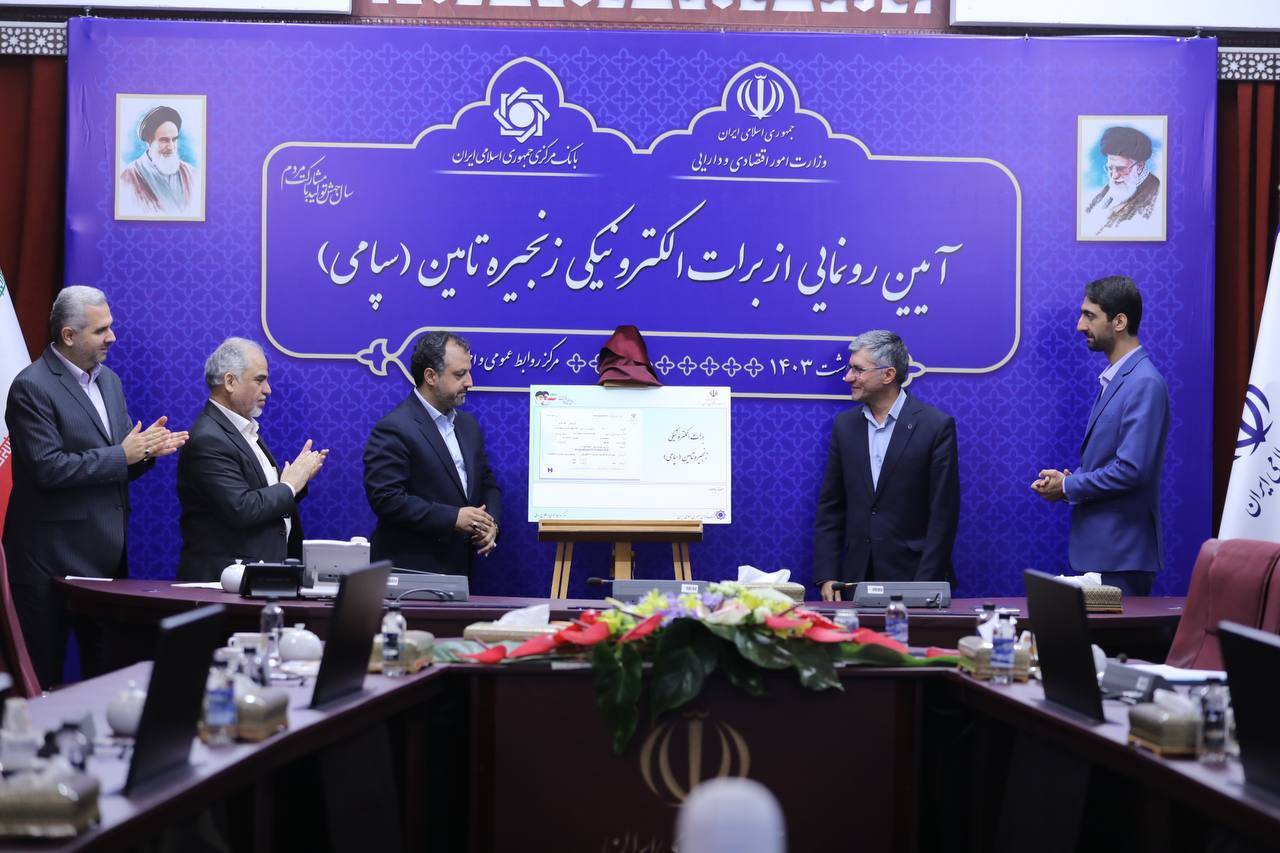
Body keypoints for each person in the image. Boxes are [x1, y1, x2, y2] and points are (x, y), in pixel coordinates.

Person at [3, 286, 186, 685]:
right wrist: (124, 454)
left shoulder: (111, 383)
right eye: (101, 330)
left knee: (107, 682)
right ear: (68, 335)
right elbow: (48, 469)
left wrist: (147, 452)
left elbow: (117, 465)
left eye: (111, 326)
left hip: (106, 562)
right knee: (41, 682)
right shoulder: (31, 386)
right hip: (47, 565)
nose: (112, 337)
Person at [1033, 275, 1170, 596]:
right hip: (1105, 554)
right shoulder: (1120, 378)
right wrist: (1067, 484)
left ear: (1119, 321)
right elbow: (1108, 461)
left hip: (1121, 557)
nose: (1080, 325)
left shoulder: (1144, 383)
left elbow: (1131, 470)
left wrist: (1068, 486)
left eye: (1089, 315)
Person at [813, 330, 960, 600]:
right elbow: (831, 507)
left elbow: (943, 515)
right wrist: (827, 575)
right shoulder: (845, 426)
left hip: (915, 577)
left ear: (888, 374)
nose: (848, 377)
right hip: (855, 580)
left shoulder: (935, 426)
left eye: (858, 370)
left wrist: (923, 587)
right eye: (850, 369)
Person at [176, 338, 327, 582]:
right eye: (259, 380)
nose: (268, 389)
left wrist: (298, 480)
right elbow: (242, 508)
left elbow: (262, 496)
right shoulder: (208, 438)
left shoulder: (244, 430)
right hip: (224, 583)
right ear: (230, 382)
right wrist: (290, 485)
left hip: (259, 576)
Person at [363, 331, 500, 574]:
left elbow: (487, 483)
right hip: (412, 572)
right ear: (430, 376)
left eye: (468, 372)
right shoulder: (394, 428)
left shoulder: (468, 425)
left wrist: (490, 524)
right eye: (459, 374)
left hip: (460, 569)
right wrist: (453, 518)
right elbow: (387, 499)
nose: (469, 382)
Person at [1082, 126, 1162, 238]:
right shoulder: (1111, 187)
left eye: (1121, 169)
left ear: (1140, 166)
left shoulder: (1156, 194)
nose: (1114, 176)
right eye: (1110, 168)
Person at [118, 105, 198, 216]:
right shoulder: (127, 178)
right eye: (164, 140)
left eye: (174, 139)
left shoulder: (192, 174)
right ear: (149, 141)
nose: (171, 147)